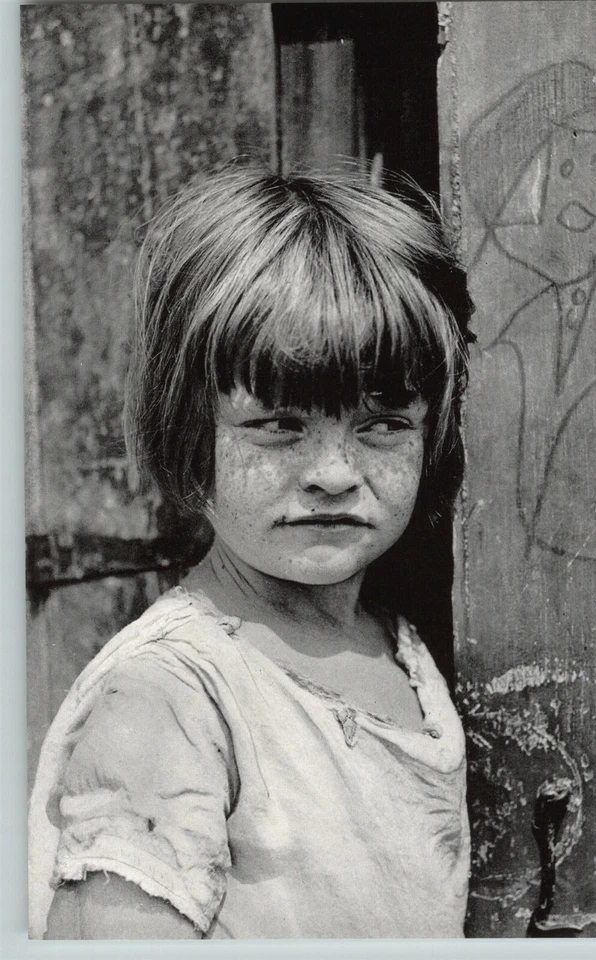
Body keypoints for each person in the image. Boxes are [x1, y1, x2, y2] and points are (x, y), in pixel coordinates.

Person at [28, 165, 475, 939]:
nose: (334, 474)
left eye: (382, 424)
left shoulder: (393, 650)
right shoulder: (168, 697)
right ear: (190, 431)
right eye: (278, 425)